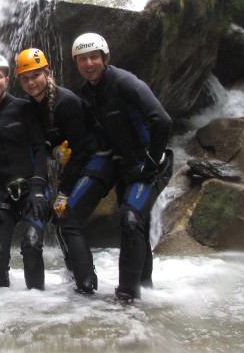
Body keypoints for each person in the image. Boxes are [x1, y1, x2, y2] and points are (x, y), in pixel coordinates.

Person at [72, 33, 173, 304]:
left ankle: (126, 298)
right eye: (83, 59)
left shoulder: (124, 82)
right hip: (123, 166)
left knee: (129, 220)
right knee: (136, 224)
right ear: (77, 62)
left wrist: (151, 162)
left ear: (105, 58)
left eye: (94, 57)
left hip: (148, 163)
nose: (89, 63)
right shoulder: (87, 92)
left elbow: (162, 120)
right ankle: (146, 290)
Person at [15, 48, 116, 296]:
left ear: (47, 73)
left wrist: (65, 192)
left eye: (35, 75)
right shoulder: (29, 106)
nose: (30, 82)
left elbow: (79, 151)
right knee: (63, 220)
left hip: (99, 161)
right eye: (25, 78)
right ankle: (77, 278)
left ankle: (86, 287)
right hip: (78, 165)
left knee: (68, 216)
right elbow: (41, 146)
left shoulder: (67, 102)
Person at [0, 53, 49, 290]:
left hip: (32, 189)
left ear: (7, 79)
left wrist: (37, 189)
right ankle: (2, 314)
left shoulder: (25, 108)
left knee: (32, 245)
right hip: (1, 192)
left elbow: (40, 149)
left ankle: (40, 305)